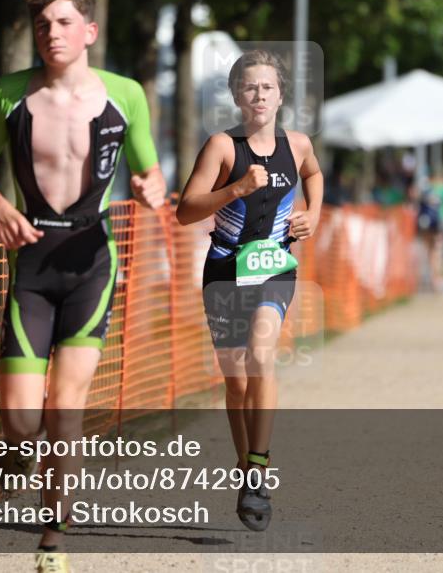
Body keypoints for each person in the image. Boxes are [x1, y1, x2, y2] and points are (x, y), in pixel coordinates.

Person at [0, 0, 166, 573]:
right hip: (31, 266)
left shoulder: (125, 95)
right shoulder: (8, 94)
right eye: (43, 24)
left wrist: (151, 187)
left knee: (65, 410)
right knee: (23, 422)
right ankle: (19, 453)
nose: (52, 33)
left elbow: (151, 172)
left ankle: (52, 540)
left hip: (91, 264)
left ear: (89, 31)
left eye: (64, 23)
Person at [175, 50, 323, 531]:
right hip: (223, 270)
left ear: (281, 95)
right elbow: (186, 210)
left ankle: (258, 469)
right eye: (249, 87)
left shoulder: (297, 144)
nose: (259, 95)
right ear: (237, 96)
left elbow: (314, 175)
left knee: (262, 354)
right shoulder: (221, 146)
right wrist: (235, 189)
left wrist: (314, 214)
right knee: (235, 381)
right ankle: (246, 470)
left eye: (267, 87)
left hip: (276, 267)